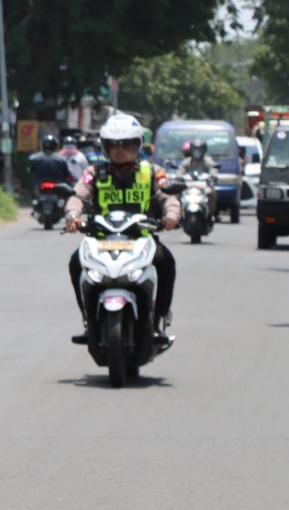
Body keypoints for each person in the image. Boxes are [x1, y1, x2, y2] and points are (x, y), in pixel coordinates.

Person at [64, 114, 180, 345]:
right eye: (113, 145)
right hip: (101, 240)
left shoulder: (152, 172)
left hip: (141, 239)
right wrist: (73, 216)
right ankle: (89, 320)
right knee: (76, 263)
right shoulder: (94, 173)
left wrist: (171, 216)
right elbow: (78, 196)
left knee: (166, 263)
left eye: (126, 145)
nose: (119, 151)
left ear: (137, 145)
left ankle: (157, 322)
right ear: (105, 147)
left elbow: (168, 197)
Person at [178, 140, 219, 216]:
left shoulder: (208, 162)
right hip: (188, 186)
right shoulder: (186, 162)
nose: (197, 152)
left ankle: (210, 214)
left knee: (211, 193)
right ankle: (178, 213)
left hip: (203, 187)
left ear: (204, 150)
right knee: (176, 194)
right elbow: (180, 172)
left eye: (199, 149)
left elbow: (213, 171)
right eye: (195, 149)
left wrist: (213, 177)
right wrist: (179, 177)